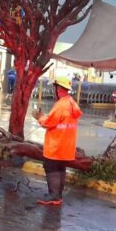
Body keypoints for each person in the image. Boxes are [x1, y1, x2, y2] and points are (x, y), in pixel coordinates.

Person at [32, 76, 82, 205]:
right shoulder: (71, 103)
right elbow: (58, 120)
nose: (53, 90)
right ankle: (58, 195)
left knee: (51, 168)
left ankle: (53, 196)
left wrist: (39, 117)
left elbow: (49, 123)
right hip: (67, 146)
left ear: (58, 88)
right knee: (60, 169)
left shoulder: (61, 105)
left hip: (56, 145)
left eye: (54, 88)